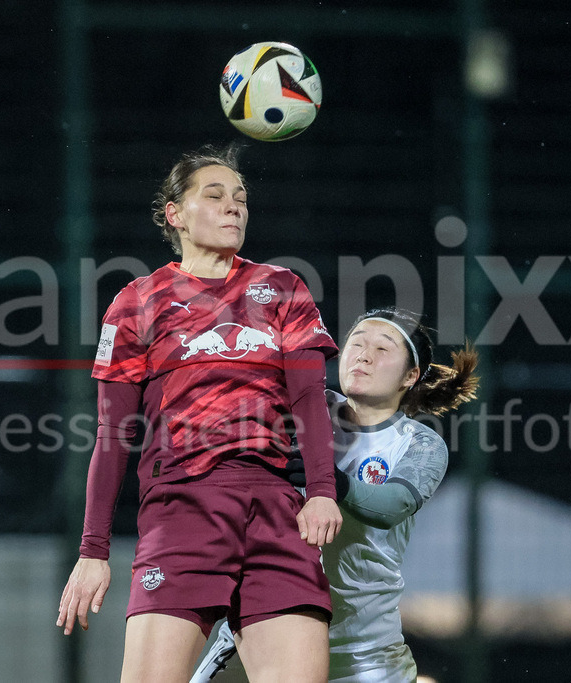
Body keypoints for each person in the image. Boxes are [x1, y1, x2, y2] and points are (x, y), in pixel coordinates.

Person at [56, 144, 343, 682]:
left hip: (276, 508)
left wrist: (322, 490)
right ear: (175, 214)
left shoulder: (283, 287)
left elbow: (310, 399)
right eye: (214, 196)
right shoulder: (138, 301)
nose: (234, 206)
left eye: (240, 197)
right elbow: (113, 433)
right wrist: (93, 549)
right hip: (182, 509)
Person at [192, 307, 479, 683]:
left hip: (367, 658)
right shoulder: (306, 409)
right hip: (269, 641)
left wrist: (330, 483)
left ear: (410, 376)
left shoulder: (420, 442)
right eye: (356, 343)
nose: (362, 354)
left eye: (382, 348)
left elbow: (393, 505)